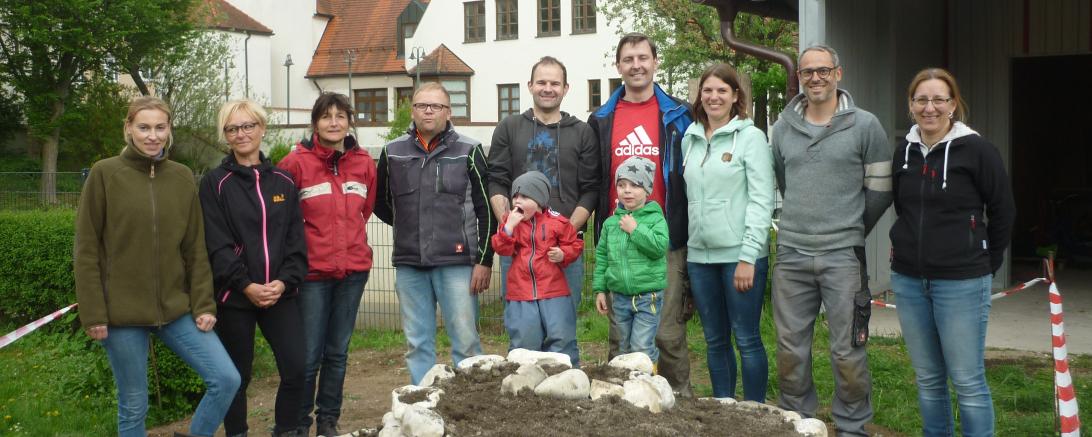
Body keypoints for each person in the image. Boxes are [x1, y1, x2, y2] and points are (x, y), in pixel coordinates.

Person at [75, 96, 241, 437]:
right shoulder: (104, 174)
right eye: (144, 127)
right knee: (134, 404)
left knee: (226, 379)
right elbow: (87, 249)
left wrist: (204, 304)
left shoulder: (181, 177)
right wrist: (93, 313)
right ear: (128, 129)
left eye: (160, 127)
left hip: (176, 309)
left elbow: (195, 247)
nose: (152, 136)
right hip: (120, 315)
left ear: (169, 131)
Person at [770, 45, 893, 436]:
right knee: (791, 351)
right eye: (807, 72)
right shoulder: (783, 127)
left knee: (848, 351)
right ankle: (798, 421)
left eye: (823, 71)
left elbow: (881, 188)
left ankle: (852, 427)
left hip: (843, 257)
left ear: (838, 74)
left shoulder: (865, 125)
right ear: (800, 78)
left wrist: (851, 227)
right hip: (791, 254)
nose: (815, 78)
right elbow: (785, 182)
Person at [890, 68, 1014, 437]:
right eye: (921, 100)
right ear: (911, 105)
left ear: (953, 104)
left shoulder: (977, 150)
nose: (930, 108)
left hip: (962, 280)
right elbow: (904, 208)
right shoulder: (904, 152)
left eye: (938, 99)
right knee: (928, 379)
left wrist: (983, 264)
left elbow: (1004, 211)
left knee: (967, 381)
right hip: (910, 280)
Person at [588, 32, 695, 397]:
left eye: (642, 58)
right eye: (628, 59)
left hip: (661, 236)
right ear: (618, 66)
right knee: (621, 333)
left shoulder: (678, 115)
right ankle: (621, 400)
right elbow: (595, 178)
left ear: (655, 62)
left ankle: (679, 398)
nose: (636, 65)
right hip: (619, 236)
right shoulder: (601, 118)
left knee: (666, 332)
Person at [199, 100, 309, 437]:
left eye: (248, 126)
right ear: (225, 137)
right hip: (235, 297)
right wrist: (246, 284)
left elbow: (296, 243)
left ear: (262, 129)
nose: (241, 134)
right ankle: (237, 433)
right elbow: (216, 244)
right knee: (238, 376)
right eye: (233, 129)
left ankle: (286, 430)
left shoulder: (284, 182)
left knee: (296, 368)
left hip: (280, 294)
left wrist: (283, 282)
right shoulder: (214, 183)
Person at [375, 82, 495, 385]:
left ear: (448, 112)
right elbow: (382, 204)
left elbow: (487, 211)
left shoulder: (470, 150)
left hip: (457, 264)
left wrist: (484, 260)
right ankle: (422, 402)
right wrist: (410, 228)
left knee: (466, 341)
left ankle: (471, 402)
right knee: (417, 343)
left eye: (436, 106)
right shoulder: (392, 152)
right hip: (410, 264)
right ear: (412, 110)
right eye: (421, 105)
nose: (428, 111)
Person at [277, 93, 376, 437]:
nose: (334, 122)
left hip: (353, 272)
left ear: (350, 121)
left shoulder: (364, 162)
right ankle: (298, 423)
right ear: (315, 123)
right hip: (312, 275)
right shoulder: (294, 164)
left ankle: (328, 422)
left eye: (341, 116)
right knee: (307, 357)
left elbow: (365, 210)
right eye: (326, 116)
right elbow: (284, 222)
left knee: (337, 353)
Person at [681, 63, 775, 402]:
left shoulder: (750, 138)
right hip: (700, 258)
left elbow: (762, 200)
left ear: (736, 96)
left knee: (747, 338)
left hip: (740, 256)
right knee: (714, 340)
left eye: (722, 90)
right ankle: (724, 408)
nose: (714, 96)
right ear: (699, 95)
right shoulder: (689, 139)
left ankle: (754, 413)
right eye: (708, 90)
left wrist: (749, 255)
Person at [487, 56, 599, 311]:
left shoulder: (582, 133)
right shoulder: (509, 127)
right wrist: (512, 228)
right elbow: (496, 181)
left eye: (555, 83)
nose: (548, 88)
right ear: (529, 86)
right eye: (541, 82)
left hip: (563, 249)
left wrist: (562, 233)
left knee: (563, 325)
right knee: (522, 325)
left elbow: (591, 189)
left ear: (566, 88)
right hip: (518, 249)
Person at [492, 171, 583, 366]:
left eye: (524, 197)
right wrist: (508, 228)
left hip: (554, 291)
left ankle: (568, 380)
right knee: (525, 342)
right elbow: (502, 248)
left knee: (561, 339)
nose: (517, 201)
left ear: (540, 199)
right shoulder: (511, 222)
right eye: (515, 196)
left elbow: (575, 245)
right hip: (521, 294)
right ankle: (524, 384)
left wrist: (563, 254)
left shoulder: (557, 222)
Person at [592, 156, 669, 366]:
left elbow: (659, 248)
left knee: (641, 347)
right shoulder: (610, 223)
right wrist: (600, 290)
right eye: (622, 185)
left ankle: (647, 384)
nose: (627, 190)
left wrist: (636, 230)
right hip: (619, 298)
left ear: (647, 189)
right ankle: (623, 389)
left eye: (635, 185)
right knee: (621, 347)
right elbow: (602, 258)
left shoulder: (656, 218)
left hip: (647, 296)